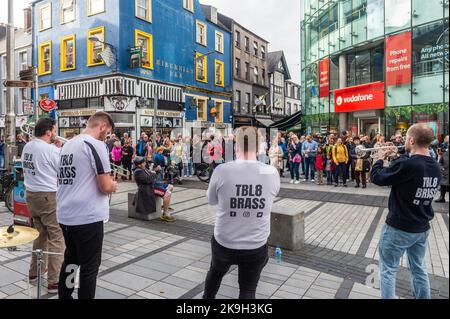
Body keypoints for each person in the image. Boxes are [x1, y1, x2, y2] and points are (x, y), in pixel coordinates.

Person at [203, 126, 280, 299]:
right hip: (255, 243)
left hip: (225, 240)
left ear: (236, 146)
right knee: (248, 290)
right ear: (259, 146)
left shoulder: (222, 170)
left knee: (215, 273)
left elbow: (212, 200)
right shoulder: (271, 172)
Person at [371, 124, 441, 299]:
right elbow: (412, 169)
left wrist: (379, 158)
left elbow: (378, 177)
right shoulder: (435, 166)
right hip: (421, 228)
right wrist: (397, 155)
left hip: (399, 228)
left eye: (406, 138)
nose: (403, 141)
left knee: (387, 270)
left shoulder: (407, 164)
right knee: (419, 269)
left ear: (411, 140)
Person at [57, 112, 118, 299]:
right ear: (102, 127)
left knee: (71, 261)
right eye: (106, 133)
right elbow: (105, 185)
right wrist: (113, 185)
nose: (106, 137)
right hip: (87, 217)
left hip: (66, 215)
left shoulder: (68, 145)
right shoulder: (95, 145)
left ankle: (64, 297)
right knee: (89, 269)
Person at [21, 118, 64, 294]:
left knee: (41, 235)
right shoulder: (50, 150)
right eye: (54, 130)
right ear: (48, 131)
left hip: (31, 196)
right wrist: (59, 151)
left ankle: (34, 273)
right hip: (48, 196)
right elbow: (62, 172)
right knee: (57, 237)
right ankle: (54, 281)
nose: (55, 133)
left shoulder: (28, 147)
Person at [133, 156, 175, 222]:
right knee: (167, 193)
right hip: (148, 188)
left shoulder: (143, 168)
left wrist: (156, 170)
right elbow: (148, 180)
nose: (145, 163)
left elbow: (152, 175)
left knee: (170, 186)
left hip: (153, 185)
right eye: (143, 163)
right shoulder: (138, 172)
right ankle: (165, 213)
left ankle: (164, 205)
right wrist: (153, 173)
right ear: (139, 165)